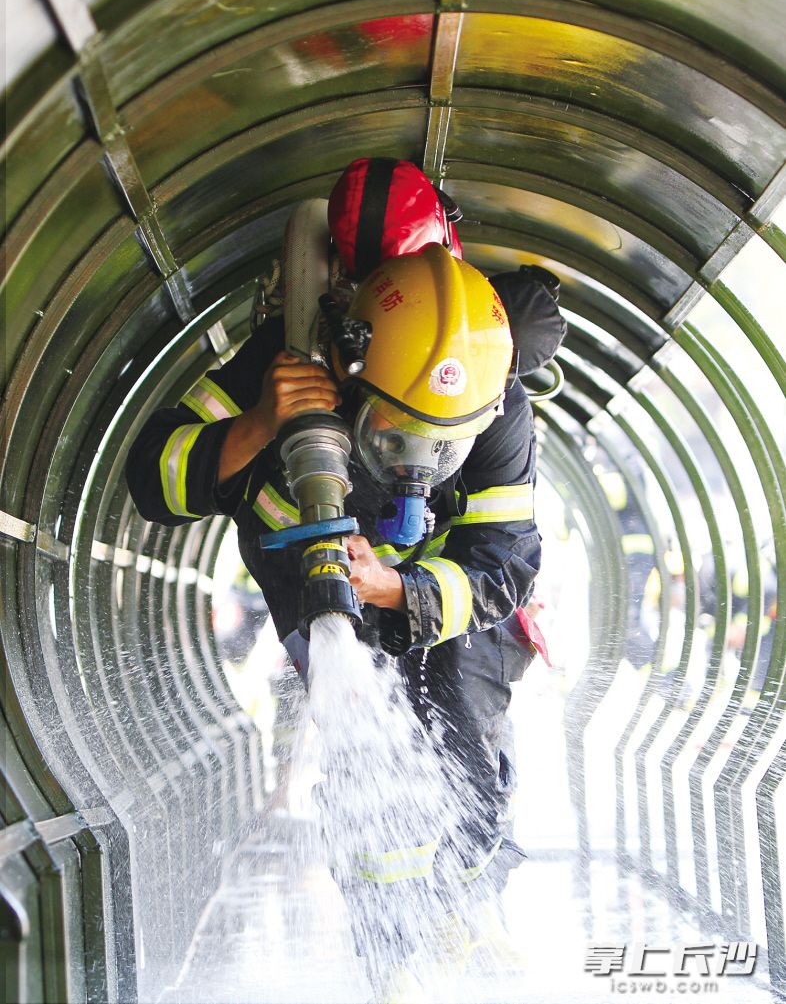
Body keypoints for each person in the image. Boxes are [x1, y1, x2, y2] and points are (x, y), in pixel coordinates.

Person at [127, 231, 545, 996]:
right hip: (314, 590)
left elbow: (508, 557)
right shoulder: (287, 360)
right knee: (366, 773)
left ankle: (469, 918)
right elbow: (153, 479)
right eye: (395, 432)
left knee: (471, 756)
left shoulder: (498, 401)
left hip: (445, 606)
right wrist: (258, 421)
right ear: (355, 372)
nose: (416, 461)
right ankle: (389, 958)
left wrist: (401, 590)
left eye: (443, 443)